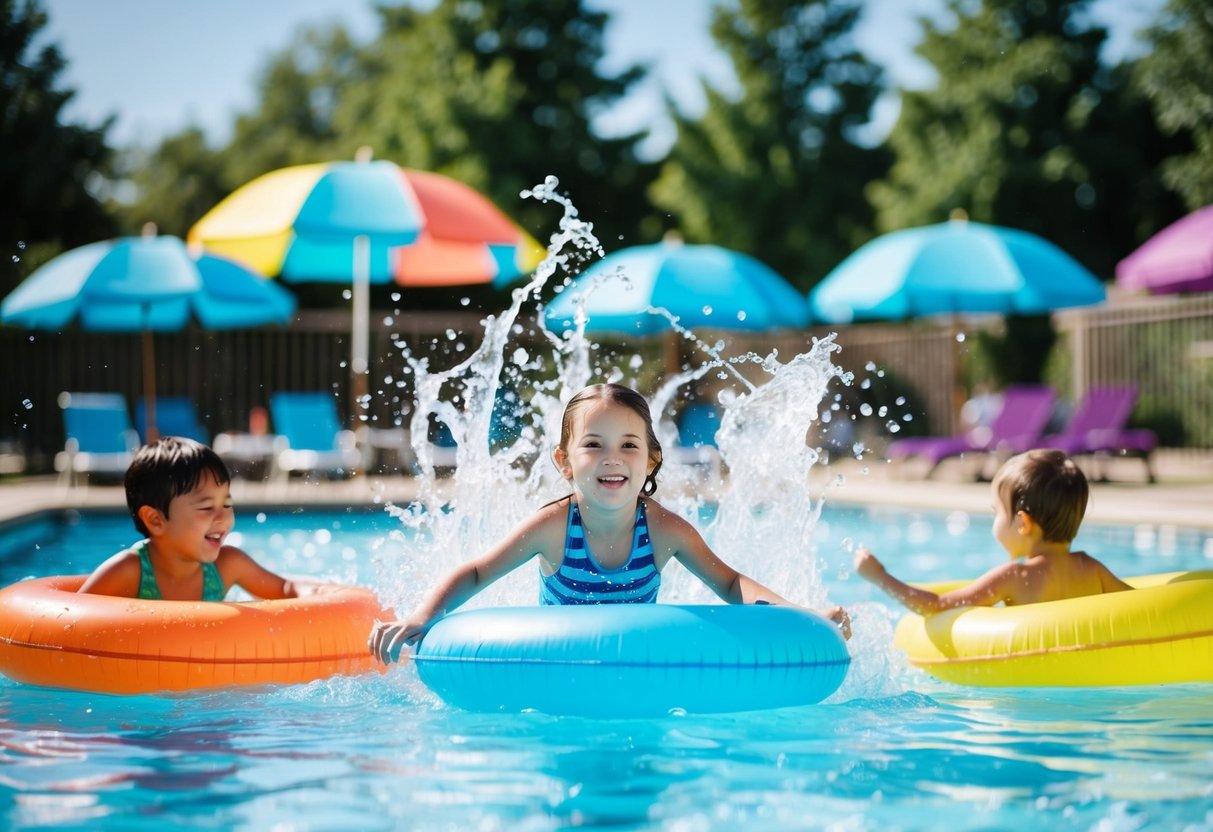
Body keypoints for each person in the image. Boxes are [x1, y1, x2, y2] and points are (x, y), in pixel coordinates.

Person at [370, 383, 851, 663]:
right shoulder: (554, 526)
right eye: (593, 444)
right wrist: (421, 617)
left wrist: (799, 614)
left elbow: (729, 583)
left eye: (628, 445)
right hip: (559, 665)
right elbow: (476, 573)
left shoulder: (665, 530)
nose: (611, 458)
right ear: (564, 461)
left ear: (651, 460)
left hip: (637, 663)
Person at [854, 448, 1132, 614]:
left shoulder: (1015, 577)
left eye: (996, 511)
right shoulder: (1091, 569)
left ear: (1022, 523)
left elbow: (937, 605)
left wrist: (880, 577)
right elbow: (1140, 605)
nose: (995, 520)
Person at [79, 436, 300, 601]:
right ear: (155, 520)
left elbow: (286, 590)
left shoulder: (228, 565)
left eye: (227, 503)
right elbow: (71, 620)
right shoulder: (130, 571)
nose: (223, 516)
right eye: (206, 507)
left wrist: (325, 592)